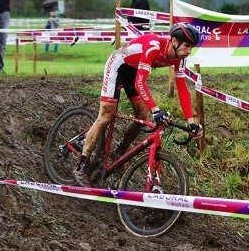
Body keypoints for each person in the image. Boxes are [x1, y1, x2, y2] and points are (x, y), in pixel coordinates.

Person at [73, 22, 204, 187]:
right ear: (174, 41)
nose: (189, 51)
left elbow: (182, 88)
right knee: (106, 116)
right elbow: (140, 83)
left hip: (134, 69)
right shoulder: (154, 47)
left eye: (191, 47)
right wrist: (156, 109)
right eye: (187, 46)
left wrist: (191, 121)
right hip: (118, 66)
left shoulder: (180, 58)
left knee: (142, 116)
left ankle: (118, 154)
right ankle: (81, 166)